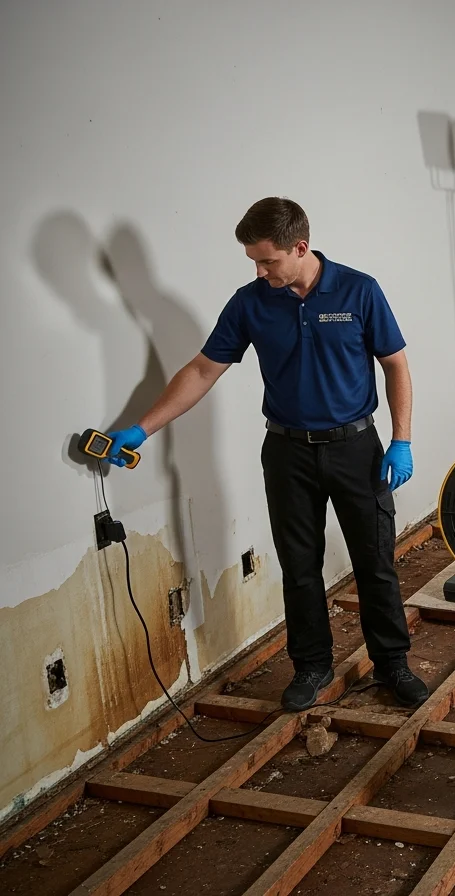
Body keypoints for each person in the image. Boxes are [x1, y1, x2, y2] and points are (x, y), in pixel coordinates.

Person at [101, 197, 430, 711]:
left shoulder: (359, 290)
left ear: (300, 247)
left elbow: (395, 365)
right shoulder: (251, 301)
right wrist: (143, 428)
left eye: (268, 260)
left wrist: (402, 438)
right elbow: (202, 371)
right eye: (253, 261)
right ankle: (312, 667)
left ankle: (392, 664)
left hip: (355, 448)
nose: (260, 270)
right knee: (300, 566)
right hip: (286, 453)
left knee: (375, 563)